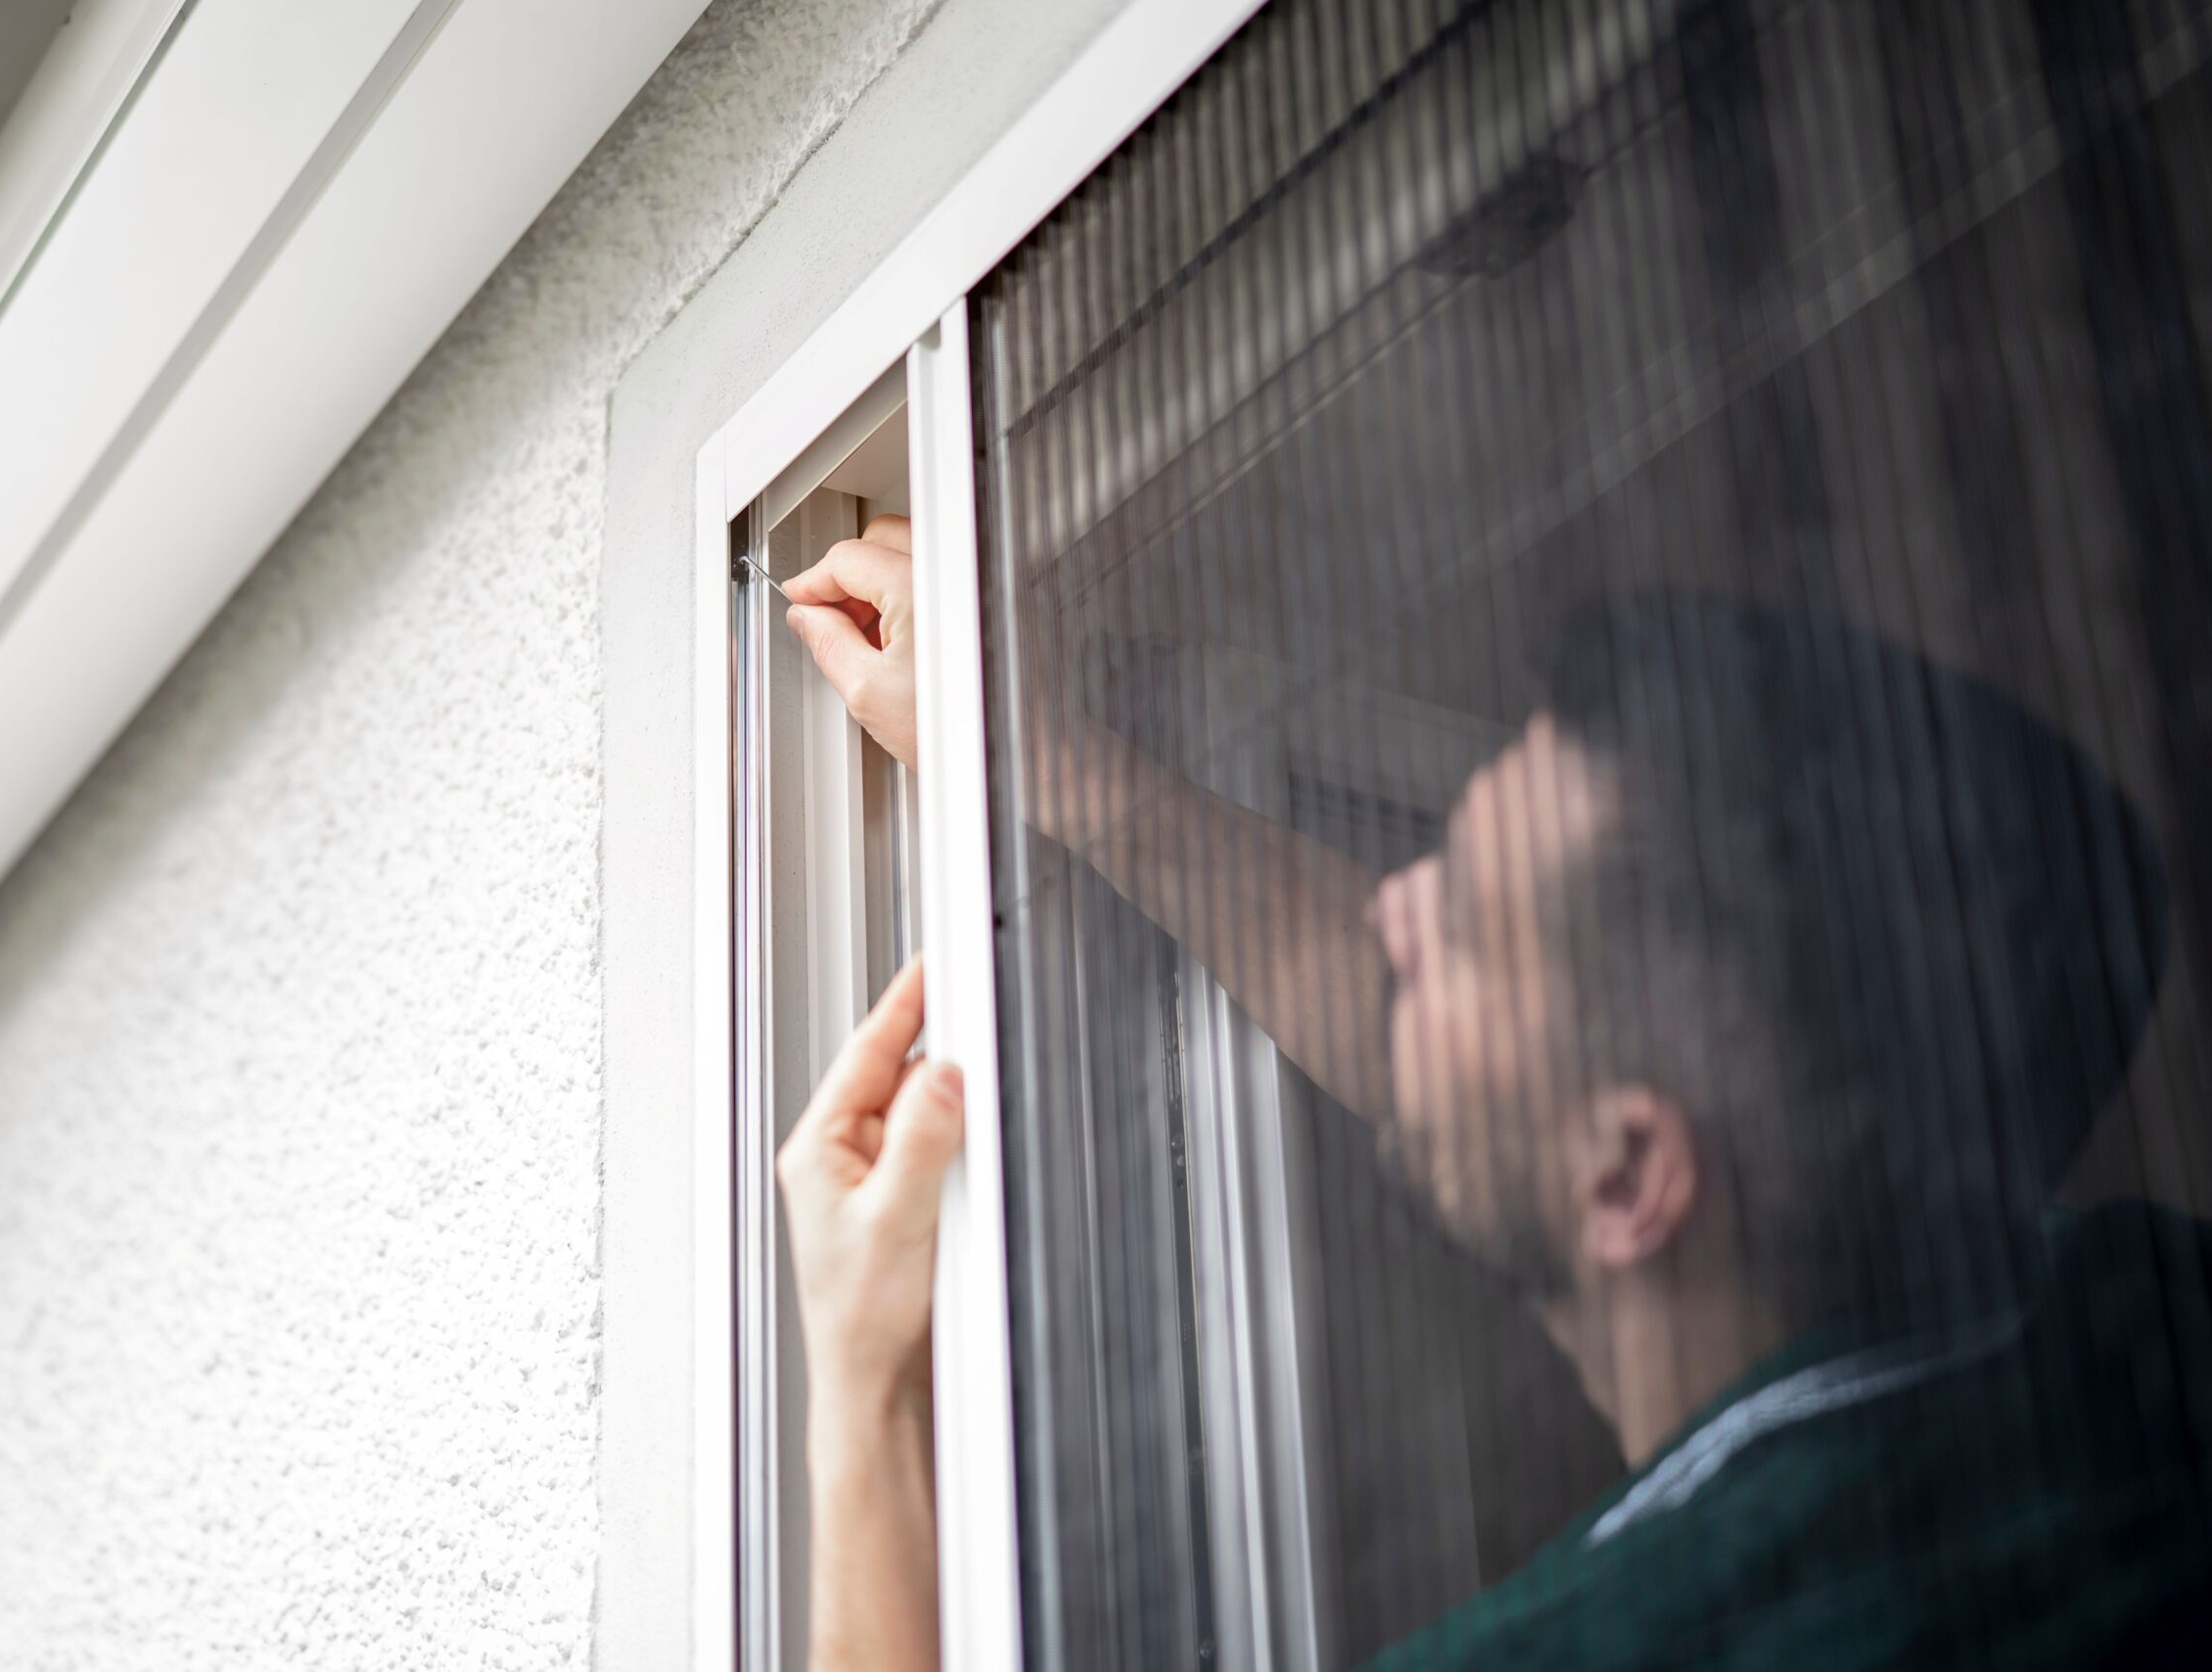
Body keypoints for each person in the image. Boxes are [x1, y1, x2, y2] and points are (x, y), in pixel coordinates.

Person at [773, 517, 2212, 1669]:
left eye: (1454, 925)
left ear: (1628, 1178)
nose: (1389, 911)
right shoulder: (2131, 1330)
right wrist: (1064, 769)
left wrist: (861, 1380)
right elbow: (1423, 1027)